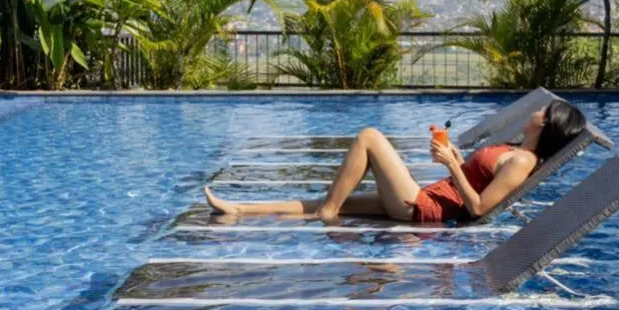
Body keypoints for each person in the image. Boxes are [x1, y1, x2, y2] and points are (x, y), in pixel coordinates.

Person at [203, 99, 588, 225]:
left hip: (424, 208)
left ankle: (328, 215)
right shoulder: (515, 148)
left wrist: (451, 166)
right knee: (327, 200)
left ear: (549, 123)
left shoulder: (523, 161)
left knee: (369, 137)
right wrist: (452, 156)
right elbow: (475, 182)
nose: (537, 110)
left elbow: (479, 207)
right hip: (425, 196)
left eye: (544, 110)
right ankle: (238, 209)